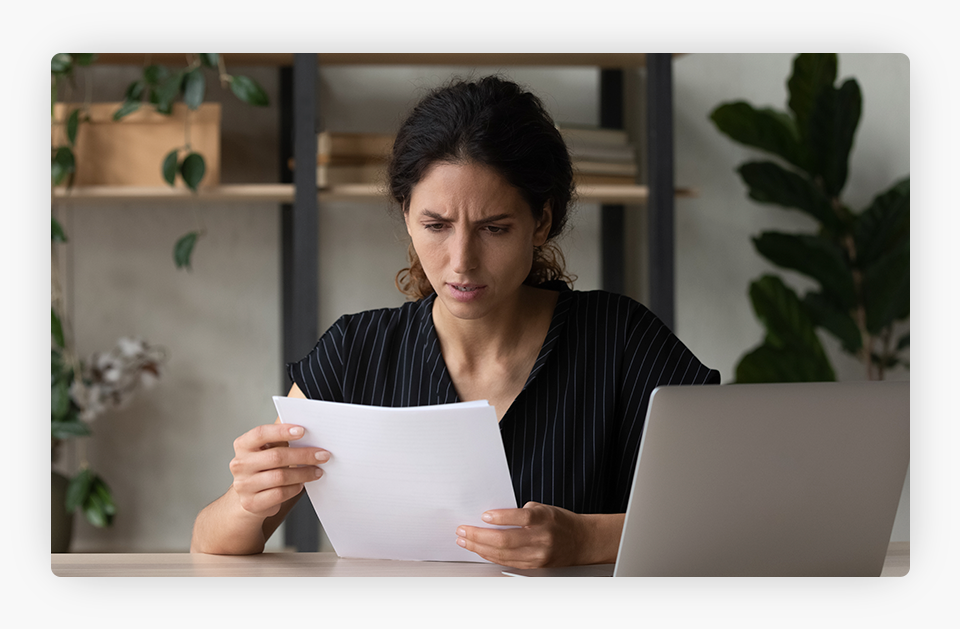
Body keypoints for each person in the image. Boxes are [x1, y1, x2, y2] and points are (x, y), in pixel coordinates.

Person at [190, 75, 720, 567]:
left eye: (494, 228)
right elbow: (211, 545)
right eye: (436, 225)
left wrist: (584, 540)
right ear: (406, 216)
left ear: (543, 221)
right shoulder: (356, 352)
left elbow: (725, 517)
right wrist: (246, 498)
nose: (461, 260)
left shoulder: (621, 340)